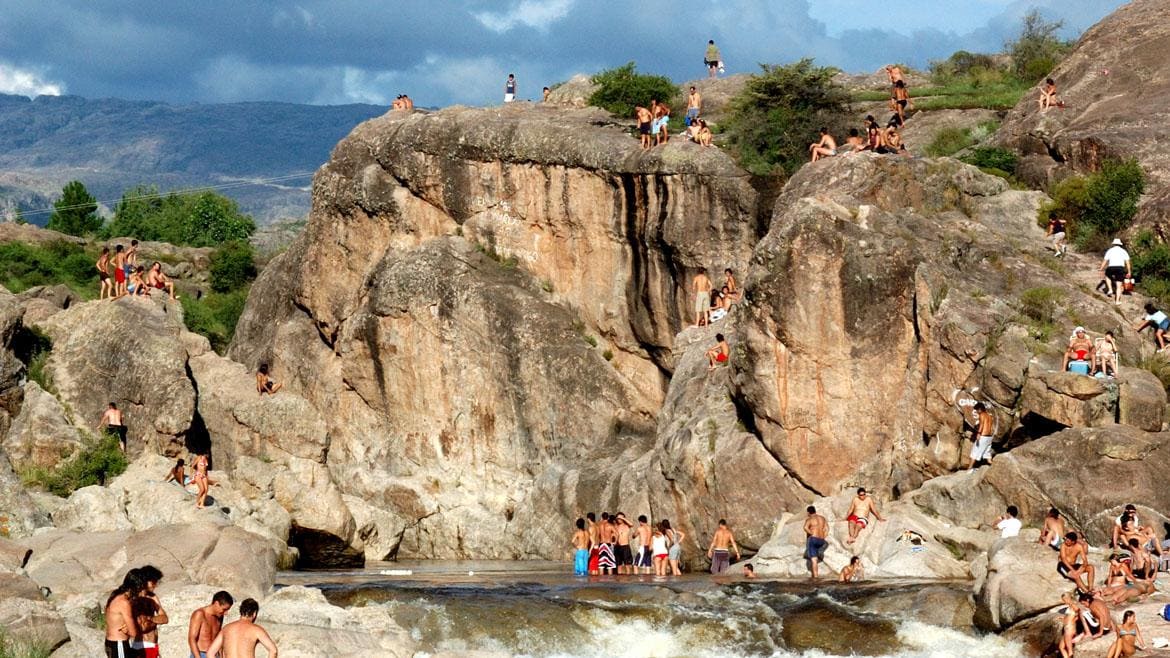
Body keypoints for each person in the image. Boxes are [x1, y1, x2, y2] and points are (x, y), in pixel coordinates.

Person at [206, 598, 278, 658]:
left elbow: (210, 653)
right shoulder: (256, 630)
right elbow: (273, 650)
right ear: (254, 613)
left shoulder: (226, 628)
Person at [105, 569, 145, 658]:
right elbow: (133, 633)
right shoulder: (124, 603)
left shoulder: (116, 595)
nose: (142, 593)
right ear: (137, 588)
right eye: (142, 589)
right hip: (118, 644)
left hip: (111, 643)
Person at [188, 591, 234, 658]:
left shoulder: (220, 616)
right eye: (224, 609)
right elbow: (191, 638)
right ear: (216, 603)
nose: (226, 613)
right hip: (200, 654)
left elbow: (218, 638)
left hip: (214, 655)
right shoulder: (199, 614)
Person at [135, 566, 168, 658]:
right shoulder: (136, 600)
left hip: (153, 645)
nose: (155, 585)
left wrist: (150, 619)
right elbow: (142, 627)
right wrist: (155, 621)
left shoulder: (153, 597)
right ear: (145, 581)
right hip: (142, 646)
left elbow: (165, 618)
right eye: (153, 581)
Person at [1100, 238, 1130, 305]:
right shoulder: (1124, 251)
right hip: (1120, 268)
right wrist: (1129, 272)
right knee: (1119, 286)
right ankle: (1117, 301)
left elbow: (1105, 260)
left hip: (1111, 267)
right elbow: (1127, 263)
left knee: (1107, 276)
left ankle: (1110, 289)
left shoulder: (1110, 250)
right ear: (1120, 244)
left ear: (1113, 244)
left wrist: (1101, 268)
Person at [966, 402, 994, 469]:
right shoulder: (989, 416)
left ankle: (968, 470)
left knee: (974, 453)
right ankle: (995, 467)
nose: (977, 412)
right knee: (987, 455)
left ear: (980, 409)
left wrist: (978, 433)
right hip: (989, 437)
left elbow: (981, 425)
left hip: (983, 436)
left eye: (977, 410)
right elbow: (990, 427)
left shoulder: (982, 415)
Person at [802, 505, 828, 579]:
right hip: (821, 540)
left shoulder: (810, 519)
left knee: (814, 560)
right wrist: (823, 536)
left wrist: (811, 533)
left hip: (813, 539)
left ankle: (816, 577)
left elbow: (805, 527)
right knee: (816, 557)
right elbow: (827, 528)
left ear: (808, 512)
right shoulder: (822, 518)